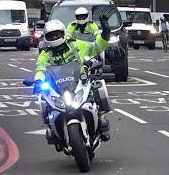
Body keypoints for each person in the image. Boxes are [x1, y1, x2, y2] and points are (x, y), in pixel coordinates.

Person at [34, 15, 111, 143]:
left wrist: (106, 31)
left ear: (63, 33)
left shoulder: (76, 45)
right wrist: (38, 81)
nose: (54, 38)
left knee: (98, 87)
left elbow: (98, 47)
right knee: (43, 100)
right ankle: (51, 129)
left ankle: (102, 121)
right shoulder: (45, 54)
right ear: (46, 38)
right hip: (58, 87)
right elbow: (40, 69)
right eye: (51, 36)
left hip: (79, 81)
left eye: (57, 34)